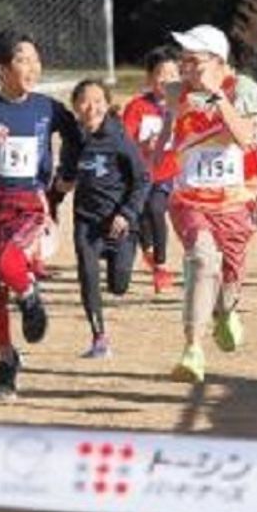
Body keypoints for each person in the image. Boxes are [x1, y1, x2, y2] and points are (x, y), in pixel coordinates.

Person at [0, 30, 82, 401]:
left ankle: (28, 295)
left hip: (31, 203)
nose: (32, 67)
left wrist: (67, 175)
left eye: (35, 60)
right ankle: (7, 359)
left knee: (11, 260)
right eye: (23, 60)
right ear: (1, 68)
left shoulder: (47, 107)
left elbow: (75, 137)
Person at [161, 24, 257, 383]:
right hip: (189, 199)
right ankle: (192, 348)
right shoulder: (176, 91)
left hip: (235, 202)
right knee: (203, 260)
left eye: (194, 61)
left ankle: (227, 310)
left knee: (230, 280)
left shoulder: (245, 90)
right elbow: (173, 105)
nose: (186, 69)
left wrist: (217, 96)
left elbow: (245, 137)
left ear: (219, 62)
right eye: (183, 61)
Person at [68, 79, 151, 359]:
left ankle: (132, 245)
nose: (91, 107)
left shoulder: (118, 137)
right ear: (75, 106)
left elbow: (142, 179)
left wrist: (127, 214)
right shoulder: (73, 138)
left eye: (98, 101)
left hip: (119, 223)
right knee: (88, 273)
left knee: (118, 286)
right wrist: (50, 205)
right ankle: (99, 338)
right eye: (84, 101)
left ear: (106, 104)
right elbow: (65, 177)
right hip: (86, 221)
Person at [120, 46, 181, 294]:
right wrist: (143, 145)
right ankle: (148, 250)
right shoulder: (137, 106)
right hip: (140, 174)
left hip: (168, 171)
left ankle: (161, 265)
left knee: (156, 209)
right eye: (160, 74)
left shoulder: (183, 107)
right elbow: (124, 140)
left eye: (172, 74)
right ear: (149, 79)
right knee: (141, 215)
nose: (166, 80)